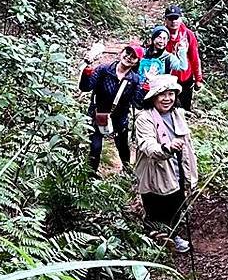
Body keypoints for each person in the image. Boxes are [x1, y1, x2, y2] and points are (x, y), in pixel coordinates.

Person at [134, 74, 198, 253]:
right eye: (162, 94)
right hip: (155, 171)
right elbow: (147, 145)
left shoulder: (178, 114)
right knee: (156, 207)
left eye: (171, 94)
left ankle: (173, 236)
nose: (167, 98)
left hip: (178, 168)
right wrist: (167, 147)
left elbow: (187, 143)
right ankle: (153, 244)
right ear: (153, 96)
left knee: (176, 204)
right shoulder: (144, 118)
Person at [79, 42, 144, 172]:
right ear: (122, 53)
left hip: (119, 118)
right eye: (128, 53)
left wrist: (145, 89)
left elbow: (138, 102)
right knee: (95, 147)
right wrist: (87, 71)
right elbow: (85, 87)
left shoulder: (134, 79)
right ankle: (91, 176)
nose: (129, 57)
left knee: (122, 147)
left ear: (136, 62)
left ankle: (126, 171)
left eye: (133, 56)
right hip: (98, 114)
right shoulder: (104, 69)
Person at [164, 5, 203, 111]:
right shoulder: (161, 35)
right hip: (167, 78)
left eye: (176, 18)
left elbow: (194, 57)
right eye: (170, 18)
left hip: (186, 77)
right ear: (166, 20)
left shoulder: (188, 35)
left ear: (180, 19)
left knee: (185, 109)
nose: (173, 21)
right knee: (167, 108)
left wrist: (198, 79)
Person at [139, 25, 188, 92]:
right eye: (159, 37)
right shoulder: (142, 53)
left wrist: (182, 50)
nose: (162, 41)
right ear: (153, 38)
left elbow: (183, 67)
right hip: (138, 90)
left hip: (157, 93)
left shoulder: (168, 57)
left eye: (165, 38)